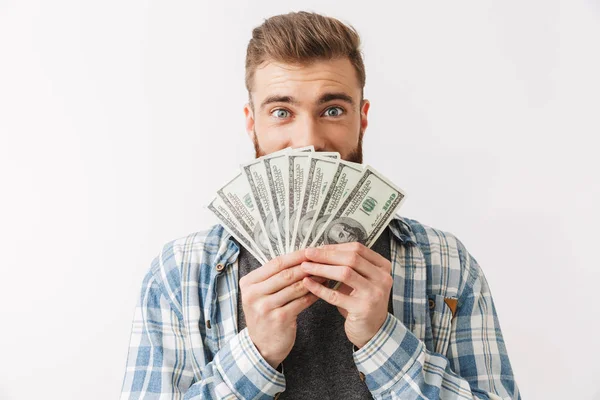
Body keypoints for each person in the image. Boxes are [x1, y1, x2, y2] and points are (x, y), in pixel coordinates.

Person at [120, 11, 520, 399]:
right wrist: (254, 356)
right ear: (251, 122)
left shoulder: (446, 264)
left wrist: (382, 340)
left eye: (332, 110)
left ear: (362, 118)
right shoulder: (179, 274)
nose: (308, 141)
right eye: (281, 112)